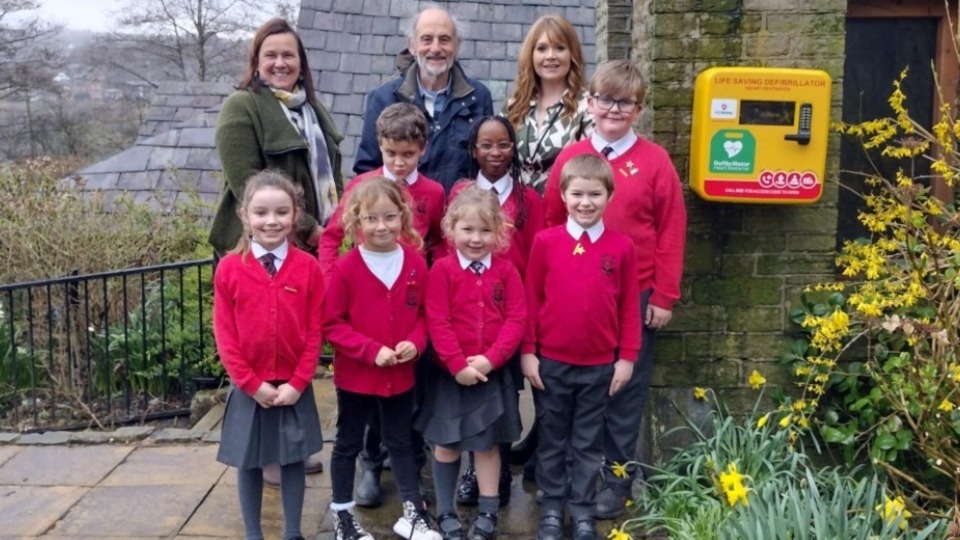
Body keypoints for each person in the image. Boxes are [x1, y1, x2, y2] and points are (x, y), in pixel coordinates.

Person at [543, 60, 688, 520]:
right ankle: (566, 475)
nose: (613, 109)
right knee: (566, 390)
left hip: (635, 296)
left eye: (624, 102)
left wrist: (664, 295)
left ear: (638, 109)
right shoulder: (571, 159)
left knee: (624, 392)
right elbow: (549, 222)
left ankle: (617, 478)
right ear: (590, 102)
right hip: (573, 299)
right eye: (604, 99)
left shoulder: (655, 162)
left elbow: (671, 230)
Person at [209, 16, 338, 485]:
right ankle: (262, 455)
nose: (281, 63)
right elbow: (247, 185)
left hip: (308, 251)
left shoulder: (313, 111)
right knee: (259, 351)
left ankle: (291, 448)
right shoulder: (241, 108)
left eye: (290, 55)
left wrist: (333, 230)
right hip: (258, 250)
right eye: (272, 56)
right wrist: (308, 227)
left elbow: (328, 181)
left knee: (295, 346)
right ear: (256, 63)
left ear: (302, 63)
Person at [319, 102, 445, 509]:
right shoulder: (362, 188)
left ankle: (410, 469)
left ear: (422, 149)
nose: (400, 162)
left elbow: (440, 246)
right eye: (392, 153)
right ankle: (370, 465)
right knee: (364, 400)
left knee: (408, 393)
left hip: (411, 304)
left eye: (408, 154)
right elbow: (329, 237)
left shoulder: (434, 192)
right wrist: (331, 281)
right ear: (381, 147)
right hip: (367, 307)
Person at [523, 154, 640, 540]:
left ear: (609, 196)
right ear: (562, 194)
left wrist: (626, 359)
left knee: (589, 444)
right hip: (552, 363)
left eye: (595, 194)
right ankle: (553, 509)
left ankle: (584, 511)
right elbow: (531, 298)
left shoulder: (621, 247)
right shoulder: (546, 242)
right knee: (553, 440)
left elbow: (627, 308)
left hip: (599, 367)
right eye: (577, 194)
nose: (585, 202)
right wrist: (528, 352)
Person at [212, 171, 326, 540]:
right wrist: (250, 383)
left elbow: (314, 332)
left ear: (295, 214)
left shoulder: (308, 268)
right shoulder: (229, 268)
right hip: (250, 388)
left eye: (281, 212)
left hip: (293, 386)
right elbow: (225, 335)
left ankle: (292, 532)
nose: (271, 221)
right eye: (261, 212)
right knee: (249, 462)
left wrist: (298, 382)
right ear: (244, 215)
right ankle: (253, 534)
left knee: (293, 460)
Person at [416, 186, 526, 540]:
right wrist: (457, 364)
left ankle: (488, 512)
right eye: (468, 230)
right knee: (447, 444)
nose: (476, 239)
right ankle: (445, 511)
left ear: (499, 232)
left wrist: (491, 360)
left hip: (490, 374)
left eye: (484, 230)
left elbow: (516, 320)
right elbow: (438, 321)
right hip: (451, 374)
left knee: (487, 444)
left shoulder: (507, 273)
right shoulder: (442, 271)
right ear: (450, 230)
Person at [447, 116, 544, 508]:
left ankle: (501, 469)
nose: (495, 152)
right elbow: (447, 250)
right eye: (486, 145)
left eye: (503, 144)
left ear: (513, 149)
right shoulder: (459, 192)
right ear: (474, 149)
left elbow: (537, 261)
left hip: (509, 313)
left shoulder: (528, 199)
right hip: (468, 313)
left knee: (502, 400)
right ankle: (475, 469)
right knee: (473, 397)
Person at [354, 5, 493, 191]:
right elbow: (367, 171)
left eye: (444, 39)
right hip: (401, 215)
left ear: (457, 46)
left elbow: (487, 169)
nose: (435, 48)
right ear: (412, 45)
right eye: (426, 39)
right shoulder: (384, 98)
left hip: (460, 216)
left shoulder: (478, 98)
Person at [503, 14, 593, 195]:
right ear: (531, 54)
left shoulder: (587, 106)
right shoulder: (514, 105)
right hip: (517, 212)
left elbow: (592, 168)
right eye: (542, 49)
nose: (550, 56)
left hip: (563, 211)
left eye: (560, 48)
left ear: (572, 54)